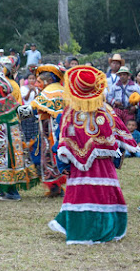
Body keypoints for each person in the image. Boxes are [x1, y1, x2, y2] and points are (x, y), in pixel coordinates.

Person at [49, 65, 139, 244]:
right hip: (104, 166)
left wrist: (64, 163)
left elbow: (64, 139)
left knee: (82, 194)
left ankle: (81, 229)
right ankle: (107, 226)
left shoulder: (71, 112)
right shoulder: (105, 109)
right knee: (105, 192)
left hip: (81, 167)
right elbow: (119, 131)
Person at [0, 70, 39, 201]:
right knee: (12, 162)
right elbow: (23, 112)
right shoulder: (9, 100)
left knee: (2, 162)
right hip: (15, 138)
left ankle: (11, 192)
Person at [29, 64, 67, 197]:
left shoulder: (49, 92)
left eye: (39, 82)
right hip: (62, 130)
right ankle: (57, 186)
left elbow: (33, 108)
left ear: (48, 81)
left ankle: (55, 186)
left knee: (49, 157)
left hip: (50, 131)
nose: (37, 84)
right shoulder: (62, 90)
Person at [20, 73, 39, 142]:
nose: (31, 80)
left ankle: (34, 143)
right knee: (26, 129)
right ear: (27, 79)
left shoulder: (37, 88)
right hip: (26, 109)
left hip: (34, 110)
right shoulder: (23, 88)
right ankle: (27, 144)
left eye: (33, 79)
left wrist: (35, 91)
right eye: (30, 78)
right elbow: (26, 99)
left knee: (34, 128)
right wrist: (29, 91)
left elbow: (37, 100)